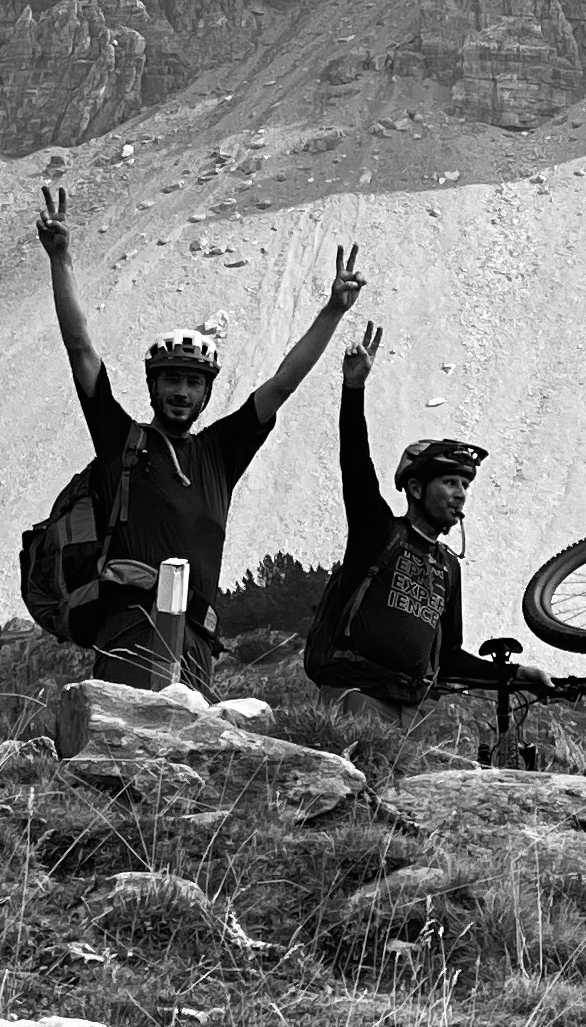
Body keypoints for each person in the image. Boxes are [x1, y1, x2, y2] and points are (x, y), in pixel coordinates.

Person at [39, 181, 360, 692]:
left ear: (207, 394)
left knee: (182, 765)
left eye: (193, 382)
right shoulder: (122, 439)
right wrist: (62, 259)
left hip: (196, 639)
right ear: (152, 386)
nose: (182, 392)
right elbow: (80, 349)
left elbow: (281, 385)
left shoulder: (218, 452)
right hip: (129, 627)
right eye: (171, 380)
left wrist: (333, 312)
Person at [303, 320, 513, 710]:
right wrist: (354, 389)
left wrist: (517, 677)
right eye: (450, 482)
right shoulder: (378, 532)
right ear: (416, 488)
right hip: (354, 697)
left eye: (465, 486)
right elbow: (355, 463)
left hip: (406, 712)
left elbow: (447, 658)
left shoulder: (449, 567)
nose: (461, 494)